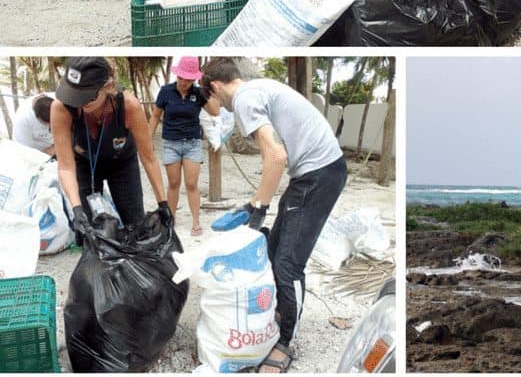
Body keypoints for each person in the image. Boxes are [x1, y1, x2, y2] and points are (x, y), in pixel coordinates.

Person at [200, 57, 347, 374]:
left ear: (214, 86)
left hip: (317, 175)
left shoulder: (243, 99)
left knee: (287, 264)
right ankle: (279, 316)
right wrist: (258, 204)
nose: (219, 109)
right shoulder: (258, 89)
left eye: (211, 100)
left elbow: (276, 155)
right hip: (314, 173)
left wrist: (259, 207)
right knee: (276, 249)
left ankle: (285, 341)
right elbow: (279, 156)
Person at [50, 57, 171, 241]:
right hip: (84, 165)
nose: (81, 103)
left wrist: (163, 203)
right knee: (90, 233)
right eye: (74, 96)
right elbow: (65, 166)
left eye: (88, 97)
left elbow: (149, 158)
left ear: (107, 87)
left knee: (135, 226)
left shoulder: (128, 106)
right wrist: (76, 208)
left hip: (121, 163)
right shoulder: (61, 108)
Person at [149, 56, 212, 237]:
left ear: (194, 79)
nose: (184, 82)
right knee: (174, 183)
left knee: (192, 184)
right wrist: (148, 140)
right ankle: (171, 221)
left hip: (192, 143)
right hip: (171, 143)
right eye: (181, 78)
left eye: (188, 79)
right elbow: (154, 117)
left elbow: (215, 111)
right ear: (177, 75)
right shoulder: (165, 91)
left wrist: (207, 90)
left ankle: (196, 221)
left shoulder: (199, 93)